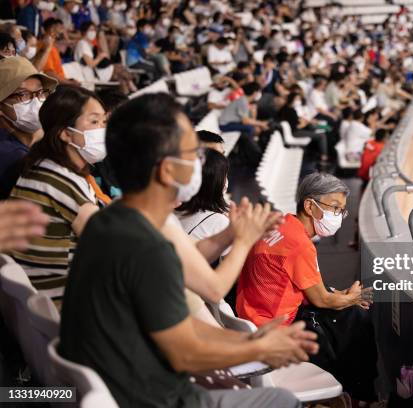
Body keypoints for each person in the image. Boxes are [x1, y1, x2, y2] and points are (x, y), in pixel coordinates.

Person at [60, 92, 317, 407]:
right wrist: (261, 349)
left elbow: (178, 324)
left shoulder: (111, 219)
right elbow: (184, 354)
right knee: (280, 400)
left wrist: (249, 339)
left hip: (119, 384)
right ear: (167, 170)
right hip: (151, 398)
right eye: (193, 153)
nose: (202, 162)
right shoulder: (146, 248)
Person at [236, 172, 378, 403]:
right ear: (310, 206)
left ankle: (355, 393)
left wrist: (341, 296)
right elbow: (322, 300)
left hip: (254, 315)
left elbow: (307, 288)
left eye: (341, 210)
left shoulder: (280, 225)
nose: (338, 215)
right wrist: (351, 298)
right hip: (275, 325)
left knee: (347, 315)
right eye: (334, 207)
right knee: (356, 320)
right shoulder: (298, 244)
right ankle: (360, 395)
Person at [9, 85, 106, 299]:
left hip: (43, 293)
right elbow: (112, 245)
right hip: (67, 301)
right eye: (94, 122)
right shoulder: (62, 181)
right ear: (65, 134)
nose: (102, 130)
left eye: (103, 122)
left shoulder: (41, 165)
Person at [0, 56, 58, 199]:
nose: (35, 102)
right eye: (23, 94)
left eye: (40, 92)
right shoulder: (10, 153)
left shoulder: (32, 140)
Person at [177, 149, 230, 241]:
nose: (226, 181)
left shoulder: (172, 209)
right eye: (225, 176)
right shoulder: (220, 222)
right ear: (216, 182)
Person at [74, 22, 137, 94]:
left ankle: (129, 93)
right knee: (118, 69)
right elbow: (91, 64)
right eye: (91, 30)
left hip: (96, 73)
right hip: (90, 76)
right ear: (84, 31)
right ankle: (132, 86)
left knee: (121, 78)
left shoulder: (88, 44)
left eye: (94, 30)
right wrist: (101, 56)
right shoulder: (82, 44)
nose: (93, 32)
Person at [277, 92, 328, 164]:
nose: (298, 101)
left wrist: (305, 121)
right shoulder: (290, 111)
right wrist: (306, 123)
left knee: (314, 128)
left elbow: (296, 121)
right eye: (297, 99)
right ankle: (324, 157)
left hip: (295, 131)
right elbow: (297, 126)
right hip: (295, 132)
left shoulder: (286, 109)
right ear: (292, 99)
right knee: (321, 135)